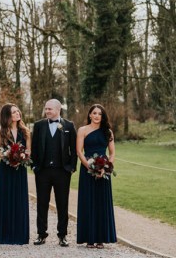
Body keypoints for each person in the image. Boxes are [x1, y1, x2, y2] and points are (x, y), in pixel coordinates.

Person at [31, 99, 77, 247]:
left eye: (50, 109)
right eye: (46, 109)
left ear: (58, 109)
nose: (47, 111)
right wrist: (34, 166)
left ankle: (62, 235)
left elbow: (74, 149)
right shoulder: (39, 125)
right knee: (42, 204)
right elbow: (34, 147)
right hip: (42, 171)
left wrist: (71, 167)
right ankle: (41, 234)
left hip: (62, 172)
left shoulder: (68, 126)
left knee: (62, 204)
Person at [76, 104, 117, 249]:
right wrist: (89, 166)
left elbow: (112, 153)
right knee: (88, 202)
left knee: (101, 203)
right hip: (87, 170)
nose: (97, 116)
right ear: (89, 115)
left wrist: (106, 168)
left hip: (103, 172)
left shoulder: (108, 132)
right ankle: (89, 239)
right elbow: (79, 151)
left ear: (103, 116)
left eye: (100, 113)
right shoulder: (83, 130)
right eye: (94, 113)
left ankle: (101, 238)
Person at [0, 103, 31, 245]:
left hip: (20, 170)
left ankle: (20, 235)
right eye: (13, 112)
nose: (17, 114)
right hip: (6, 169)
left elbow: (29, 151)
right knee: (6, 200)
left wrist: (22, 157)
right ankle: (6, 235)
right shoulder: (0, 131)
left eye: (18, 111)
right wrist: (8, 156)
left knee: (20, 201)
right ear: (7, 116)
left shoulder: (26, 131)